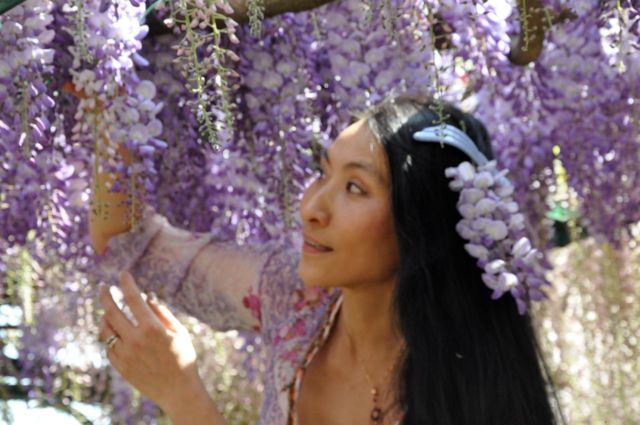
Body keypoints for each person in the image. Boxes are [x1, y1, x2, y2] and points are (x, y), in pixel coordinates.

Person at [95, 96, 561, 425]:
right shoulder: (295, 299)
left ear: (422, 226)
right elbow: (131, 242)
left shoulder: (475, 392)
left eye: (355, 187)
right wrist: (111, 102)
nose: (311, 208)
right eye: (323, 172)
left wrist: (183, 397)